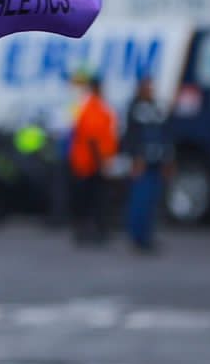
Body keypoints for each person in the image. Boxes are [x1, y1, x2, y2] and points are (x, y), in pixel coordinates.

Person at [121, 77, 171, 252]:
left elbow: (164, 135)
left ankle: (147, 236)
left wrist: (167, 159)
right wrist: (136, 158)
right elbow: (130, 136)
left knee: (152, 200)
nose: (150, 90)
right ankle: (137, 237)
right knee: (139, 200)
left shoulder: (157, 108)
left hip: (156, 161)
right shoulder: (135, 108)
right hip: (142, 163)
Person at [68, 73, 118, 245]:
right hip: (89, 164)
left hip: (91, 162)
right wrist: (100, 164)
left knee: (91, 199)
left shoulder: (94, 107)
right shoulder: (93, 108)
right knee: (92, 200)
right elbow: (92, 139)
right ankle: (89, 231)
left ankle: (90, 230)